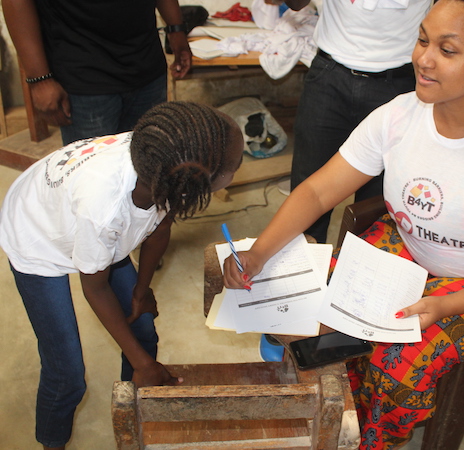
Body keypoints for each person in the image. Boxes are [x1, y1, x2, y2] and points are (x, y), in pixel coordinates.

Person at [223, 0, 464, 448]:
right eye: (423, 39)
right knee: (294, 305)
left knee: (399, 365)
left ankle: (369, 438)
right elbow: (316, 191)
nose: (424, 59)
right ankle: (329, 411)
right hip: (407, 252)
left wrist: (446, 306)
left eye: (447, 50)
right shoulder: (398, 115)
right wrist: (257, 253)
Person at [0, 102, 244, 450]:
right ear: (199, 180)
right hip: (37, 234)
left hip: (87, 221)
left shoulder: (166, 162)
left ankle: (134, 409)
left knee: (141, 324)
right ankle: (51, 443)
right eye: (234, 167)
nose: (239, 168)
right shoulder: (104, 209)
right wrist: (145, 364)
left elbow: (160, 227)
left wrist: (142, 290)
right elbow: (95, 289)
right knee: (67, 374)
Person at [280, 0, 431, 244]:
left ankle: (357, 271)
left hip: (398, 81)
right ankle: (303, 270)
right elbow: (294, 4)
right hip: (330, 74)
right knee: (309, 187)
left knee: (377, 204)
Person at [1, 0, 192, 146]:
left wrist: (176, 29)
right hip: (83, 76)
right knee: (93, 179)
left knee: (149, 170)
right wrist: (39, 80)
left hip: (146, 64)